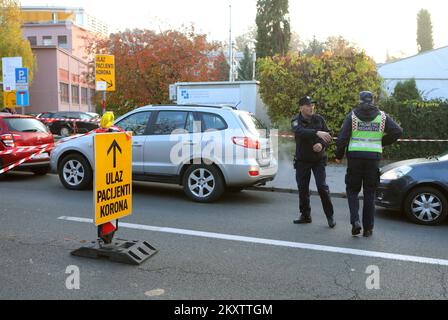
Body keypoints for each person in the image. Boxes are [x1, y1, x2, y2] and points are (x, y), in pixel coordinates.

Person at [335, 91, 403, 237]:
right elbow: (398, 131)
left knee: (352, 191)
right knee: (370, 193)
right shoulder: (382, 116)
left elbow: (342, 138)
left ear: (359, 100)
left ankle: (355, 222)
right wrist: (382, 142)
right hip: (373, 159)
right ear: (372, 100)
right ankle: (368, 229)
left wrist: (338, 156)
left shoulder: (352, 116)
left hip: (354, 158)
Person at [291, 96, 336, 228]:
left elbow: (328, 135)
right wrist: (317, 132)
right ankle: (305, 215)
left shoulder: (319, 119)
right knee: (303, 189)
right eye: (308, 105)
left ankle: (330, 216)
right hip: (302, 161)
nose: (312, 107)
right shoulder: (295, 120)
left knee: (322, 187)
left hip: (318, 160)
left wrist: (321, 145)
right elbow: (299, 132)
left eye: (312, 105)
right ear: (301, 108)